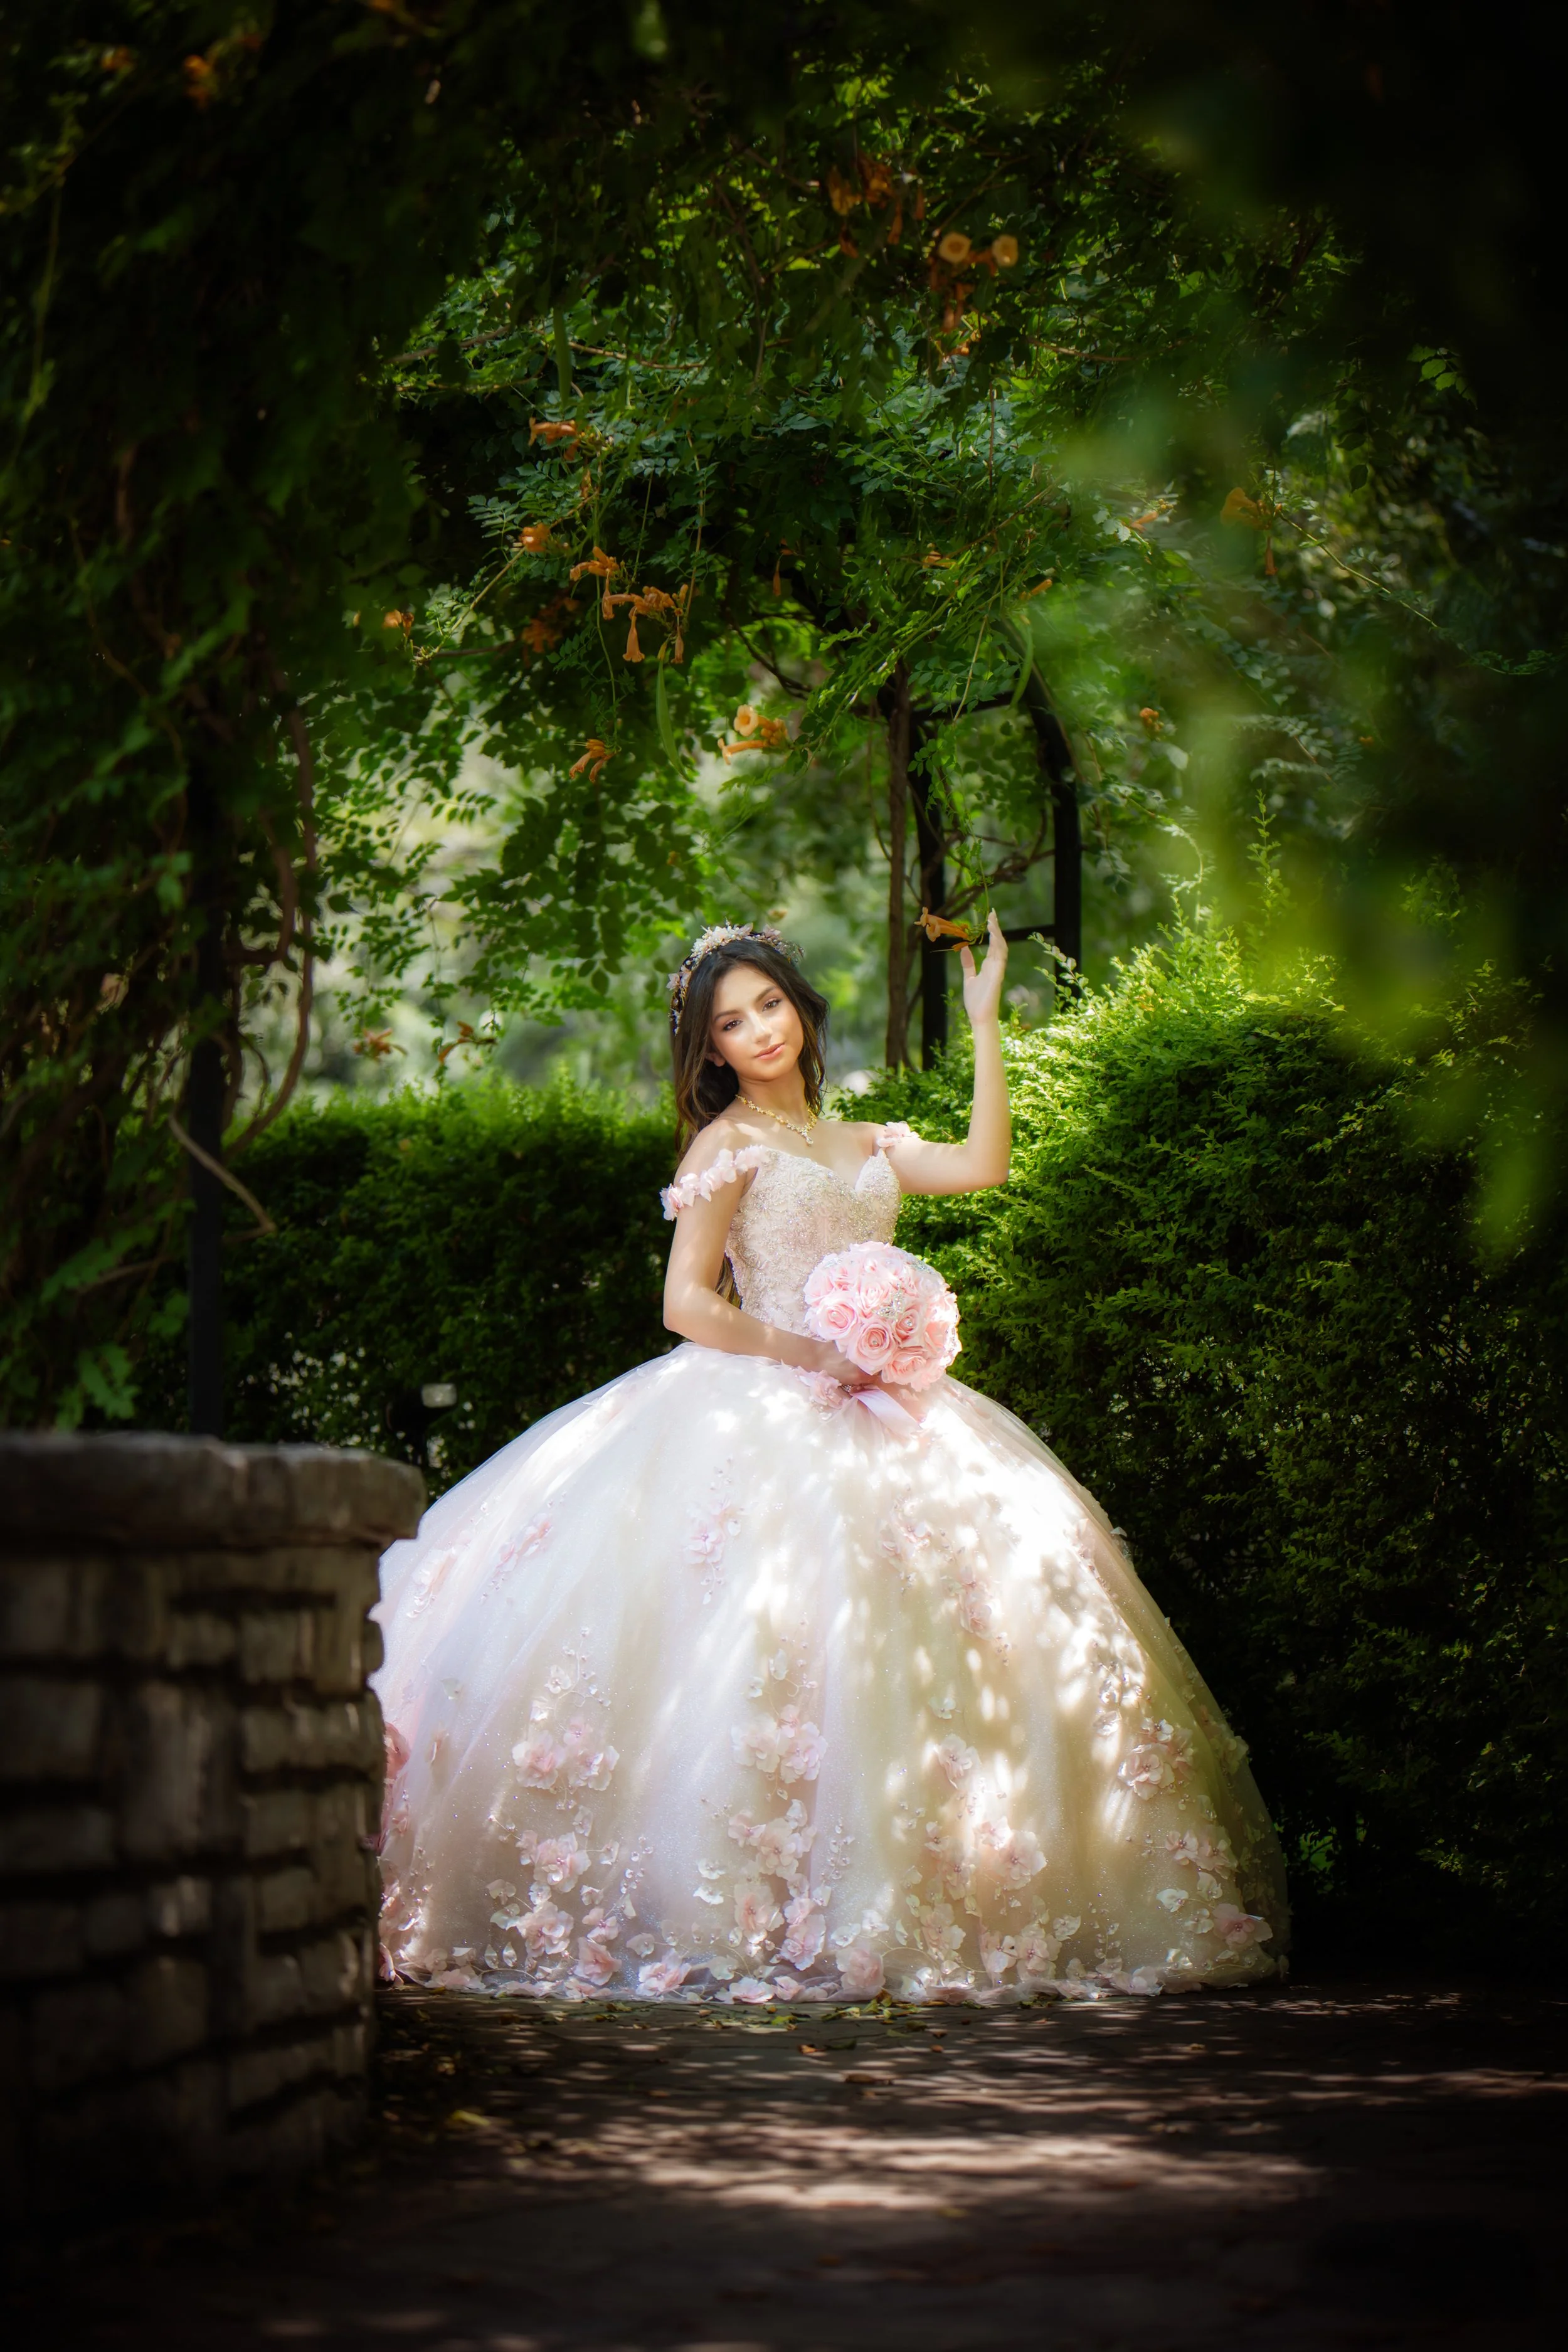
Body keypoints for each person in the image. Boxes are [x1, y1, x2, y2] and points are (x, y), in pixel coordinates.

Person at [373, 916, 1287, 2004]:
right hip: (763, 1400)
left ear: (802, 1009)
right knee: (773, 1645)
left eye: (769, 1004)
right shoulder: (728, 1147)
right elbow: (682, 1303)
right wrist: (810, 1349)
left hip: (898, 1409)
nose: (757, 1029)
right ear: (709, 1050)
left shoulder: (864, 1139)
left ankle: (941, 1879)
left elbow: (986, 1165)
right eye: (729, 1021)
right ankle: (771, 1902)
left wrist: (988, 1023)